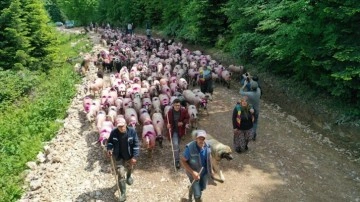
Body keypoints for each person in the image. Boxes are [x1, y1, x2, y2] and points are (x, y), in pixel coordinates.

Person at [106, 117, 140, 202]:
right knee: (120, 173)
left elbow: (136, 144)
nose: (121, 128)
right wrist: (109, 149)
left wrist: (135, 157)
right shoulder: (114, 132)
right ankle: (123, 194)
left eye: (123, 126)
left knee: (129, 168)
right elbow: (110, 142)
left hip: (129, 155)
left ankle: (128, 176)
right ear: (117, 126)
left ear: (126, 124)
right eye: (119, 126)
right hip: (118, 156)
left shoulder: (132, 131)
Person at [180, 130, 212, 202]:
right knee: (198, 196)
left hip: (204, 173)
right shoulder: (190, 148)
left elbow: (209, 157)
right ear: (196, 139)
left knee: (202, 188)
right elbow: (183, 160)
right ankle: (194, 197)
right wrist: (193, 172)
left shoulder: (208, 146)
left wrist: (211, 169)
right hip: (193, 174)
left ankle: (191, 188)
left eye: (203, 138)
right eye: (199, 138)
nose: (201, 140)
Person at [166, 98, 190, 169]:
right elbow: (166, 120)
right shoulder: (169, 112)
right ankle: (177, 161)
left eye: (179, 105)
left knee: (178, 143)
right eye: (176, 105)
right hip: (173, 131)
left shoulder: (184, 111)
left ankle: (177, 149)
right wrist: (167, 124)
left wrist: (183, 122)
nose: (177, 107)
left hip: (180, 130)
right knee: (175, 144)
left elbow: (187, 118)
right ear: (173, 105)